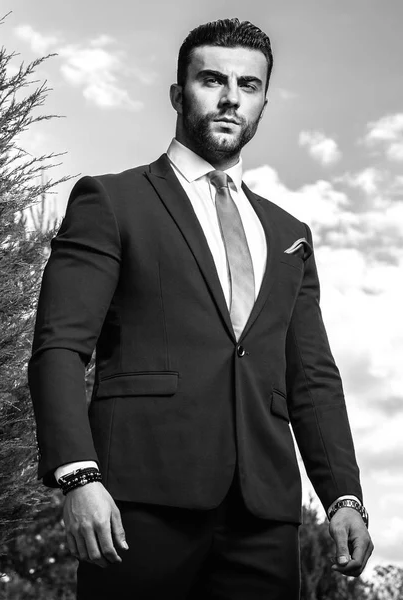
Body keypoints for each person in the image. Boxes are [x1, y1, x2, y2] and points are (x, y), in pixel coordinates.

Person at [28, 17, 373, 600]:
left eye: (249, 85)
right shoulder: (112, 200)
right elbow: (60, 346)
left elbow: (311, 376)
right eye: (212, 79)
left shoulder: (289, 233)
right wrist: (77, 475)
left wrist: (343, 496)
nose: (231, 98)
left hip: (262, 514)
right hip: (136, 502)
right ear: (177, 93)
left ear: (264, 101)